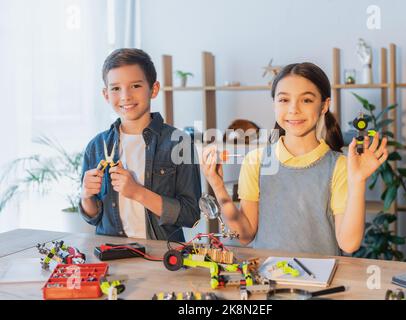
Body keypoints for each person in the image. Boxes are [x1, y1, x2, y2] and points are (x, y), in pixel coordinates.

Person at [201, 62, 388, 255]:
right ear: (274, 103)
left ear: (324, 105)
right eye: (283, 100)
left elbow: (349, 244)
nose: (293, 109)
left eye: (306, 100)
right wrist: (217, 186)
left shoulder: (339, 166)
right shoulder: (255, 161)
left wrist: (358, 180)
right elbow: (244, 235)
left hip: (322, 282)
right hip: (265, 280)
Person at [80, 48, 201, 241]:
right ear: (106, 94)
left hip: (163, 256)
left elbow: (190, 214)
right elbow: (93, 217)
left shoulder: (180, 143)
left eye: (135, 86)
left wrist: (137, 192)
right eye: (116, 88)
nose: (125, 96)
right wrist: (86, 195)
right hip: (113, 255)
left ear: (153, 89)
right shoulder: (96, 146)